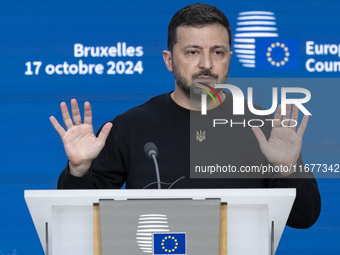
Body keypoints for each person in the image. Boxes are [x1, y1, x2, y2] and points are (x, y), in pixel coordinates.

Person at [50, 3, 320, 228]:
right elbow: (79, 217)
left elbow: (303, 218)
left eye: (218, 52)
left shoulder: (262, 125)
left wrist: (290, 170)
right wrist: (78, 170)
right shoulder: (130, 125)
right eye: (193, 52)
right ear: (169, 60)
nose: (206, 64)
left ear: (229, 57)